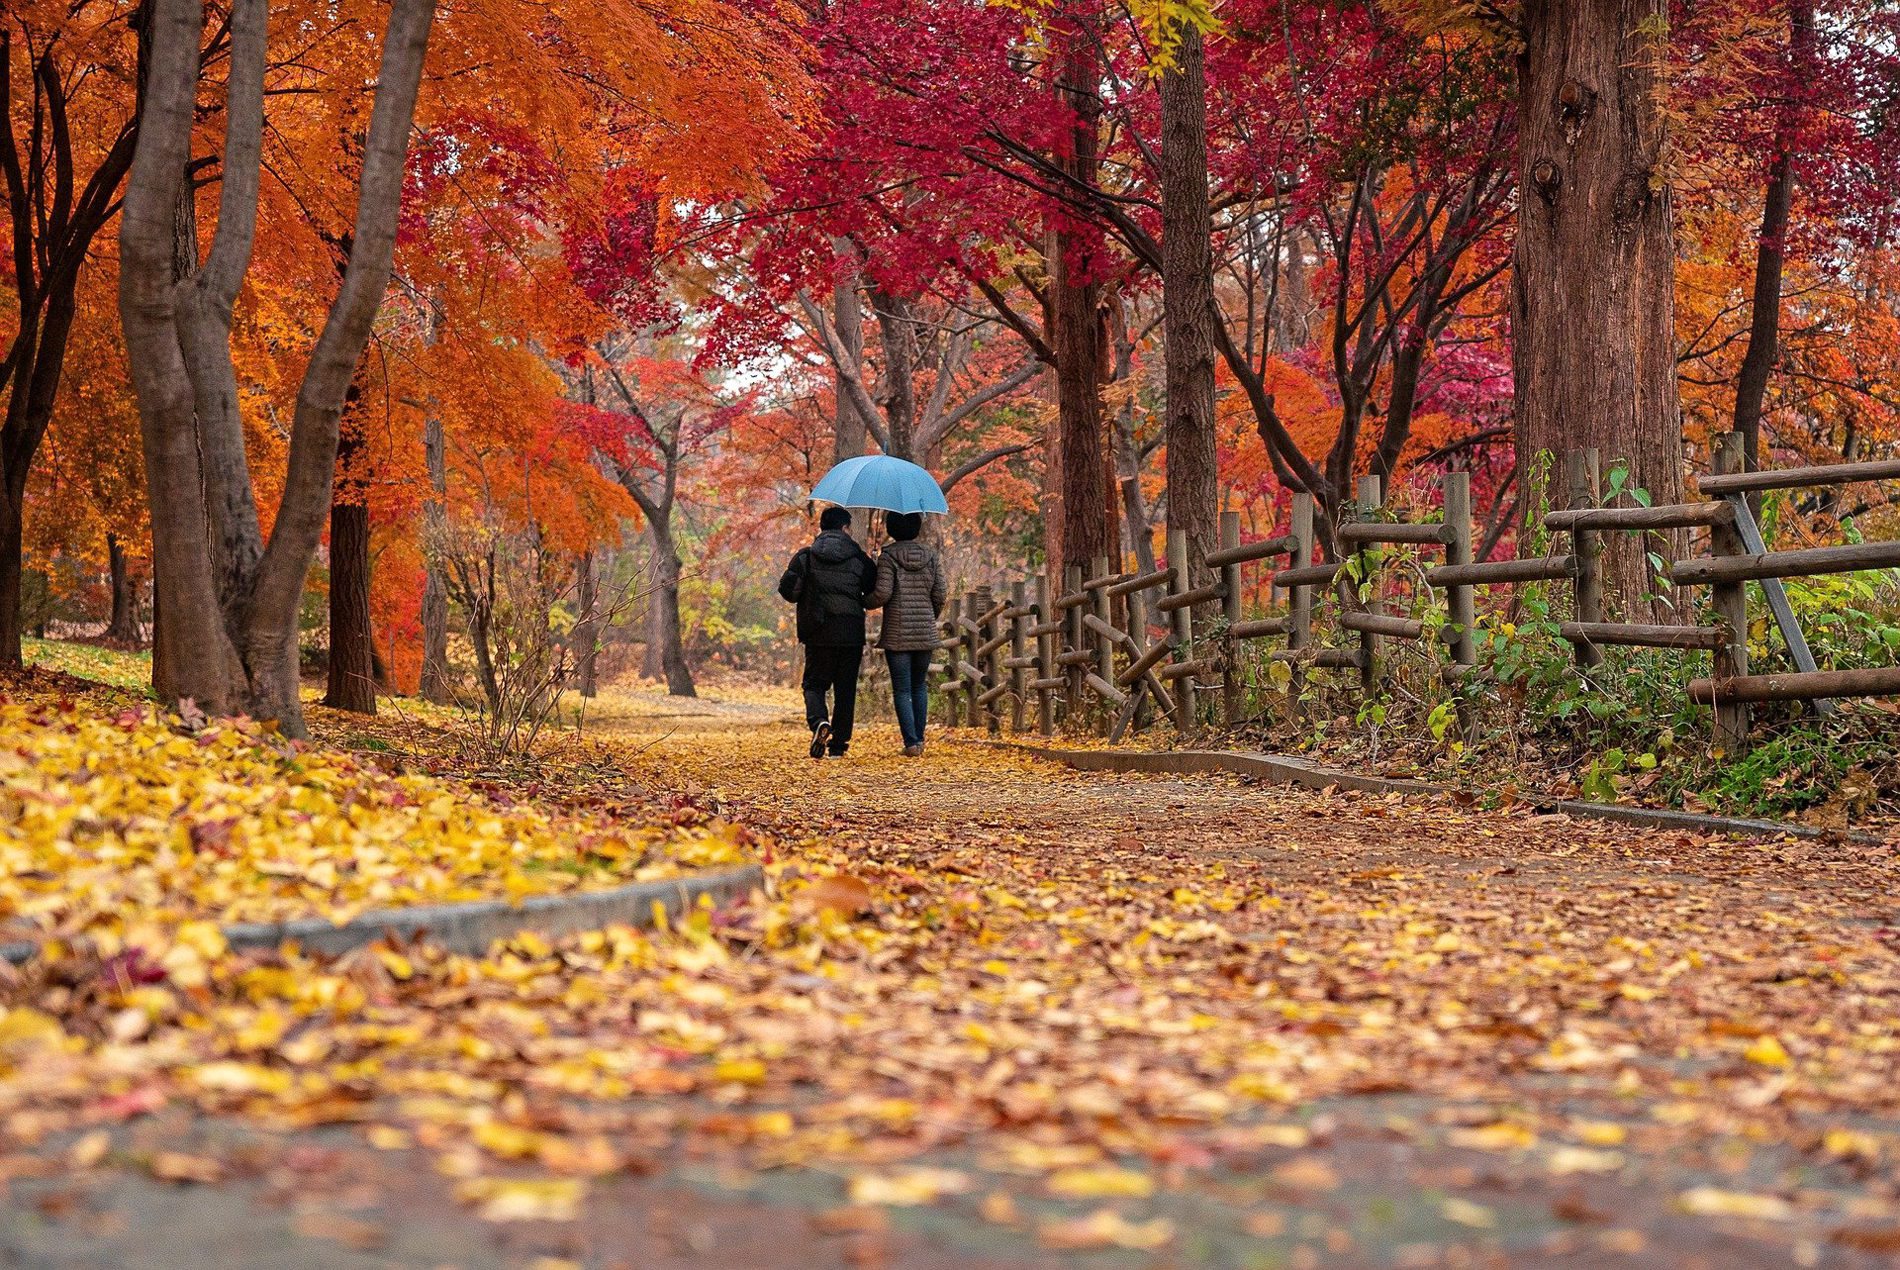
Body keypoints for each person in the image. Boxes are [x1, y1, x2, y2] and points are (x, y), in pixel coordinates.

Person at [778, 506, 877, 759]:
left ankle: (819, 721)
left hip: (818, 632)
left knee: (814, 684)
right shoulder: (859, 559)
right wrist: (873, 562)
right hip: (850, 633)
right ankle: (838, 746)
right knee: (845, 690)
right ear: (845, 528)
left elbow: (789, 592)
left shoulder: (806, 557)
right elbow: (872, 588)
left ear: (822, 528)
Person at [867, 510, 946, 757]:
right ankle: (920, 741)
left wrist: (863, 599)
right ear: (916, 528)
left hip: (897, 633)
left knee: (902, 689)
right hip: (924, 632)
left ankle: (910, 743)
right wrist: (927, 616)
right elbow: (940, 594)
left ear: (891, 528)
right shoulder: (931, 556)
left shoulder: (888, 556)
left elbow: (882, 594)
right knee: (919, 686)